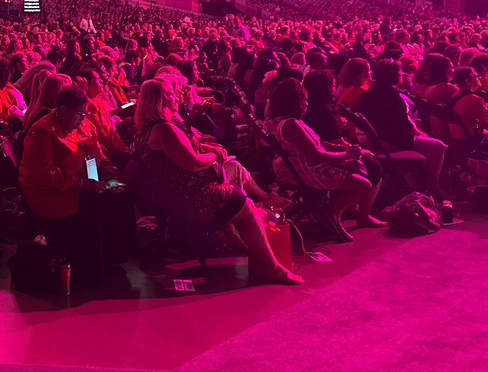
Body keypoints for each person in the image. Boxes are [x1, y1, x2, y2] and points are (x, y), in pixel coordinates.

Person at [132, 79, 303, 285]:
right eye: (171, 94)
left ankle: (248, 246)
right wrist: (215, 157)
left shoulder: (148, 130)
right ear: (160, 100)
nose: (176, 97)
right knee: (246, 207)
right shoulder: (163, 130)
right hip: (193, 199)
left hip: (180, 195)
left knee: (237, 186)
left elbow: (185, 155)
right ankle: (271, 268)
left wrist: (210, 151)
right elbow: (193, 164)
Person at [20, 86, 136, 280]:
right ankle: (91, 270)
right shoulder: (42, 132)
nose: (83, 118)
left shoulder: (83, 124)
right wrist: (83, 183)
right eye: (79, 114)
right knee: (94, 206)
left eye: (85, 113)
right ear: (63, 110)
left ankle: (112, 259)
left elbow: (96, 152)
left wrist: (107, 175)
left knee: (120, 198)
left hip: (85, 179)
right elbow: (44, 174)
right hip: (51, 191)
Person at [267, 79, 384, 237]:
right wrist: (346, 155)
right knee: (363, 185)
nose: (306, 104)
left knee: (360, 168)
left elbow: (317, 143)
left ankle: (331, 214)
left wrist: (344, 148)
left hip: (293, 168)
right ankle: (331, 215)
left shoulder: (277, 121)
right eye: (304, 100)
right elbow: (316, 155)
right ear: (295, 102)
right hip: (304, 171)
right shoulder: (291, 125)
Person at [358, 59, 446, 198]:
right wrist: (425, 137)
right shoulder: (392, 97)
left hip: (376, 139)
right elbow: (406, 127)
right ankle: (433, 187)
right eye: (399, 71)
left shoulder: (368, 93)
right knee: (438, 146)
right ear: (392, 74)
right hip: (391, 141)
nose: (401, 74)